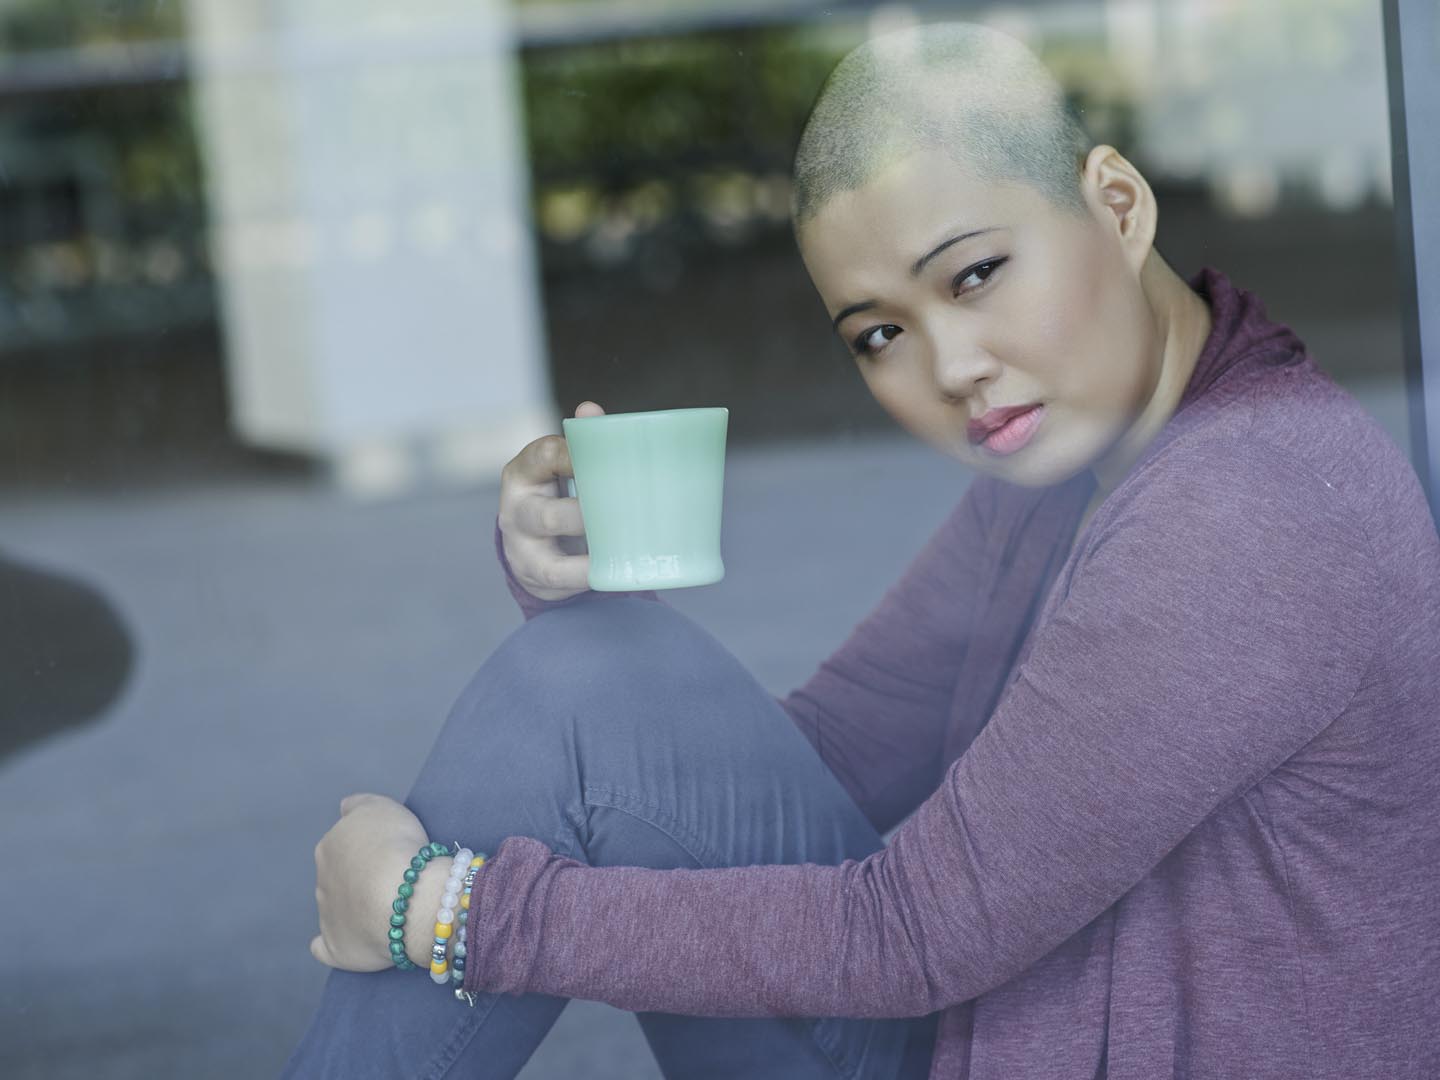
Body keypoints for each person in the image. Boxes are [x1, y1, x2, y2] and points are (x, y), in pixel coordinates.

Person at [285, 21, 1440, 1080]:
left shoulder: (1242, 512)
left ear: (1119, 205)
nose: (951, 367)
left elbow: (911, 930)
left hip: (978, 1020)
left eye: (977, 274)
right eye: (881, 333)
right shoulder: (1072, 464)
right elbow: (833, 755)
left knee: (579, 705)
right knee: (584, 676)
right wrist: (570, 584)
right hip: (983, 1028)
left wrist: (443, 914)